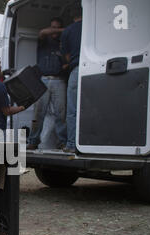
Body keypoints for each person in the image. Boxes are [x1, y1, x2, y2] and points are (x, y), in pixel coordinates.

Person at [27, 17, 68, 150]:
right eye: (52, 27)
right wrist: (62, 29)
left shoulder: (63, 43)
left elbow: (68, 60)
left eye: (57, 27)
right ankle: (33, 140)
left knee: (60, 113)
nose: (53, 30)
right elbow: (43, 32)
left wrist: (64, 66)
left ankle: (63, 141)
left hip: (59, 80)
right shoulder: (43, 41)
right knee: (38, 113)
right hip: (43, 79)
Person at [61, 6, 83, 153]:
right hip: (96, 69)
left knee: (73, 110)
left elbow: (67, 57)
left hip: (76, 69)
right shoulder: (91, 27)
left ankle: (71, 144)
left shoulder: (68, 31)